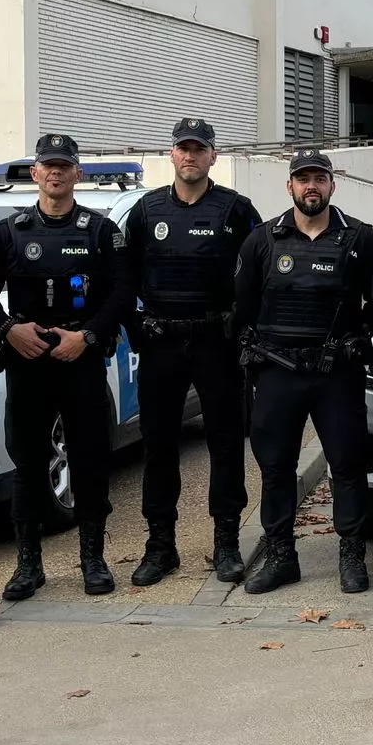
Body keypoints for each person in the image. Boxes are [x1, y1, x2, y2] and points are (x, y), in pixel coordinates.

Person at [0, 133, 132, 601]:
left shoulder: (100, 230)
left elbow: (121, 293)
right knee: (28, 463)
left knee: (89, 460)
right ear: (35, 173)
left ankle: (93, 558)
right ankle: (29, 564)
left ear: (77, 174)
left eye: (64, 166)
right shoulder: (9, 233)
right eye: (47, 165)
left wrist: (87, 336)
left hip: (80, 358)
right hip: (27, 360)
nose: (55, 172)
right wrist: (9, 329)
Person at [120, 118, 261, 587]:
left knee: (224, 444)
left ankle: (226, 542)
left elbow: (257, 277)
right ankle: (160, 546)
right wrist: (138, 330)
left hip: (215, 344)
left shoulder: (237, 210)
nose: (190, 156)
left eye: (199, 149)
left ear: (213, 156)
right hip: (161, 344)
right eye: (183, 148)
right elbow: (125, 279)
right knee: (159, 446)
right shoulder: (146, 210)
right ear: (172, 154)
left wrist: (242, 332)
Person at [232, 150, 373, 594]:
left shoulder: (359, 238)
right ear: (290, 186)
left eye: (319, 178)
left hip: (336, 374)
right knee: (275, 468)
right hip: (277, 372)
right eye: (302, 179)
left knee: (348, 466)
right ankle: (281, 557)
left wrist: (361, 340)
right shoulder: (262, 240)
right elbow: (242, 309)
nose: (310, 186)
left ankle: (352, 557)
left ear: (333, 185)